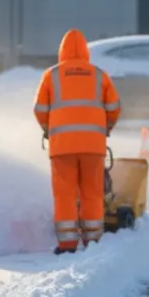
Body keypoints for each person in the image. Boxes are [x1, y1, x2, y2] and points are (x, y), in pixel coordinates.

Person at [34, 28, 121, 254]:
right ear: (85, 51)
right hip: (93, 147)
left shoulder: (51, 75)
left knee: (65, 195)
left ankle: (67, 244)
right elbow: (114, 108)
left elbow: (40, 109)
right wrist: (106, 128)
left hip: (62, 147)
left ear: (61, 52)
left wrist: (48, 128)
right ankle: (93, 241)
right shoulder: (100, 75)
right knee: (92, 193)